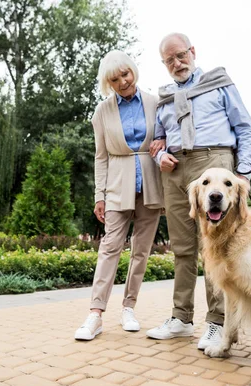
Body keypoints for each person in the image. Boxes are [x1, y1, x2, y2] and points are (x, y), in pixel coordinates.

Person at [146, 33, 251, 350]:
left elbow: (247, 128)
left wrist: (244, 173)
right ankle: (181, 319)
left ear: (193, 52)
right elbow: (158, 139)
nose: (176, 63)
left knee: (218, 248)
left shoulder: (219, 82)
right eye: (169, 60)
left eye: (181, 55)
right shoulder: (165, 97)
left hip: (214, 162)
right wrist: (159, 155)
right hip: (176, 171)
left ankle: (217, 323)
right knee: (182, 248)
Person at [75, 50, 164, 341]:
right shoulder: (102, 112)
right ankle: (95, 314)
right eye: (115, 79)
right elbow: (101, 157)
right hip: (116, 185)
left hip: (151, 183)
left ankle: (129, 308)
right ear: (108, 83)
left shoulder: (155, 102)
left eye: (126, 74)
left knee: (141, 250)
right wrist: (99, 195)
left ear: (133, 71)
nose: (123, 81)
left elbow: (165, 141)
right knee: (109, 247)